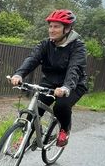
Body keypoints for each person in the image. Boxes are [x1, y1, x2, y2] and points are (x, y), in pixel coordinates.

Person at [10, 9, 88, 147]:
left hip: (73, 84)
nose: (52, 30)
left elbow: (74, 69)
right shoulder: (46, 44)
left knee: (61, 106)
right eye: (50, 26)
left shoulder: (78, 47)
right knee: (35, 108)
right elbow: (32, 59)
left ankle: (64, 129)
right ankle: (25, 137)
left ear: (67, 29)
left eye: (56, 26)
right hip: (50, 82)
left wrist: (66, 87)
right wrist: (19, 74)